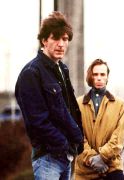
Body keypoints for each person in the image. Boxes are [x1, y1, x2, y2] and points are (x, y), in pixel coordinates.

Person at [15, 11, 84, 180]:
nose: (61, 44)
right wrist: (64, 144)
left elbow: (68, 109)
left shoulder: (62, 69)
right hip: (48, 158)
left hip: (65, 156)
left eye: (65, 39)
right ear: (44, 40)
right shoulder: (31, 73)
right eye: (56, 38)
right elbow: (37, 121)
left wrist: (76, 140)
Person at [74, 59, 124, 180]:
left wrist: (102, 157)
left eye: (102, 74)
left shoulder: (120, 105)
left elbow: (118, 138)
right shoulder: (78, 104)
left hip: (111, 167)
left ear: (107, 77)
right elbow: (76, 137)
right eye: (95, 74)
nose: (99, 78)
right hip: (85, 170)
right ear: (90, 76)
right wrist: (91, 159)